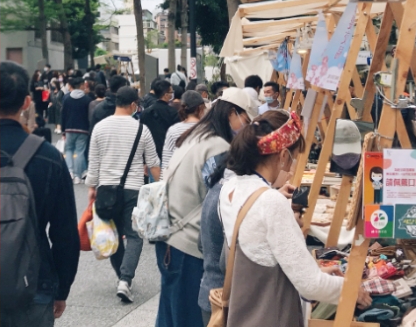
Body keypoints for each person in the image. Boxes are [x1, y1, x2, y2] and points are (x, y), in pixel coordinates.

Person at [219, 110, 371, 326]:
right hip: (271, 316)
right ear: (282, 156)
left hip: (244, 315)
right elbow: (311, 285)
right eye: (292, 158)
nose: (291, 169)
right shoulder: (271, 201)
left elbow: (263, 255)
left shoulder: (230, 189)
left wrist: (315, 270)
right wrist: (350, 288)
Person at [154, 87, 254, 327]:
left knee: (170, 314)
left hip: (169, 237)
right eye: (246, 120)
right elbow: (221, 199)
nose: (246, 128)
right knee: (186, 317)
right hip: (187, 243)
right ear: (232, 113)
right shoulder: (218, 147)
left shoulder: (197, 135)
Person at [0, 61, 79, 327]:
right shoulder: (49, 157)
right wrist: (61, 289)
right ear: (25, 102)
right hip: (34, 282)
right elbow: (65, 232)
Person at [86, 87, 160, 304]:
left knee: (113, 235)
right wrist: (163, 185)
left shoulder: (100, 127)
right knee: (135, 236)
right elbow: (154, 163)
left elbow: (94, 162)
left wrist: (92, 187)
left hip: (106, 189)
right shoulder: (141, 129)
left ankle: (122, 277)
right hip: (133, 190)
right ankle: (125, 280)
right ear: (133, 105)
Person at [197, 152, 230, 326]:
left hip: (209, 289)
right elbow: (228, 259)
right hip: (222, 297)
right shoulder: (230, 198)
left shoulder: (216, 189)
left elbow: (201, 244)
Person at [160, 91, 205, 170]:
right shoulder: (208, 129)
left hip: (180, 179)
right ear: (200, 108)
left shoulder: (173, 130)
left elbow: (166, 164)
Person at [60, 77, 92, 184]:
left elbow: (63, 114)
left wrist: (63, 130)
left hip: (69, 128)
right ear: (81, 86)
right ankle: (78, 176)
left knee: (69, 150)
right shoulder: (87, 100)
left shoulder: (66, 98)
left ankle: (70, 171)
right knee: (80, 152)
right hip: (83, 129)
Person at [141, 80, 181, 157]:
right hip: (168, 154)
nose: (172, 94)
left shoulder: (145, 113)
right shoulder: (173, 112)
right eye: (171, 92)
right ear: (166, 95)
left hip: (150, 154)